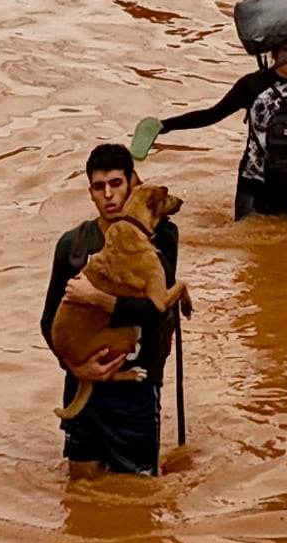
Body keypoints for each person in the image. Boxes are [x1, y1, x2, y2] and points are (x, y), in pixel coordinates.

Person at [41, 143, 183, 476]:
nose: (108, 194)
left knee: (138, 494)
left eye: (116, 184)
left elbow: (156, 312)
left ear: (132, 184)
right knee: (81, 490)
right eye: (98, 186)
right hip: (82, 385)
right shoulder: (73, 245)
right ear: (89, 192)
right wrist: (75, 367)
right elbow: (49, 321)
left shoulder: (161, 238)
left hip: (137, 388)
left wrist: (99, 299)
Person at [154, 15, 287, 220]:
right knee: (247, 243)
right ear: (273, 53)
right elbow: (212, 114)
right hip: (255, 182)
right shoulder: (252, 85)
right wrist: (165, 126)